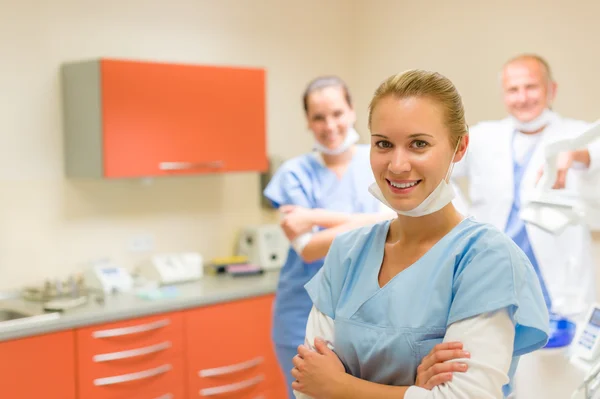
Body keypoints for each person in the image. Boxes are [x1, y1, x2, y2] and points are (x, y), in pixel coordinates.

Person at [291, 69, 550, 398]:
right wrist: (414, 390)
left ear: (459, 147)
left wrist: (340, 384)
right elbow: (308, 387)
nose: (398, 165)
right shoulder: (347, 252)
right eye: (384, 144)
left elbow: (464, 397)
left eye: (419, 144)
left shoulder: (484, 258)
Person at [263, 76, 395, 398]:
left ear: (352, 112)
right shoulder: (293, 174)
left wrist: (315, 217)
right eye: (319, 117)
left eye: (337, 113)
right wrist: (377, 221)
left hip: (369, 316)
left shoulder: (378, 159)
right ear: (308, 121)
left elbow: (400, 221)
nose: (330, 125)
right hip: (302, 314)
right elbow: (308, 248)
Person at [451, 54, 600, 317]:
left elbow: (594, 156)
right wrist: (458, 220)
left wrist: (577, 156)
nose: (522, 98)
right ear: (503, 95)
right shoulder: (483, 137)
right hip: (495, 272)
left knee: (557, 352)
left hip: (559, 280)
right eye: (513, 90)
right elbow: (441, 170)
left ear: (551, 90)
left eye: (531, 87)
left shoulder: (578, 134)